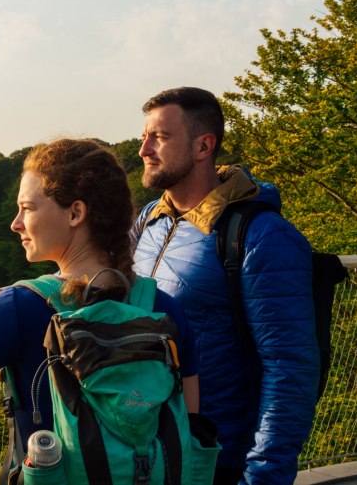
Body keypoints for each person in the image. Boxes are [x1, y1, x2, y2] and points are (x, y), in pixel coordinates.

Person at [0, 138, 200, 470]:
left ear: (75, 213)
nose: (15, 223)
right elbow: (186, 424)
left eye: (27, 208)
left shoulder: (21, 308)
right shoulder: (165, 309)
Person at [132, 87, 319, 485]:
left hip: (218, 457)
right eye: (144, 137)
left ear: (203, 146)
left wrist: (264, 475)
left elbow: (289, 367)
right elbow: (103, 285)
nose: (144, 149)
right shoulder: (151, 219)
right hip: (151, 448)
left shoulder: (263, 236)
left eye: (159, 138)